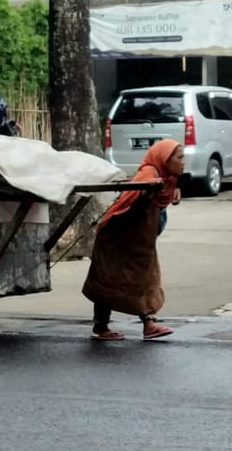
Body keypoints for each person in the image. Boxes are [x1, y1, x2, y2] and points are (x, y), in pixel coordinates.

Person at [83, 138, 183, 341]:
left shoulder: (167, 177)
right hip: (117, 238)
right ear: (165, 159)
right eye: (179, 158)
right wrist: (146, 191)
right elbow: (130, 201)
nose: (183, 162)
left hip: (138, 243)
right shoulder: (149, 175)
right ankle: (103, 326)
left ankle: (148, 324)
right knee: (108, 281)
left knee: (144, 280)